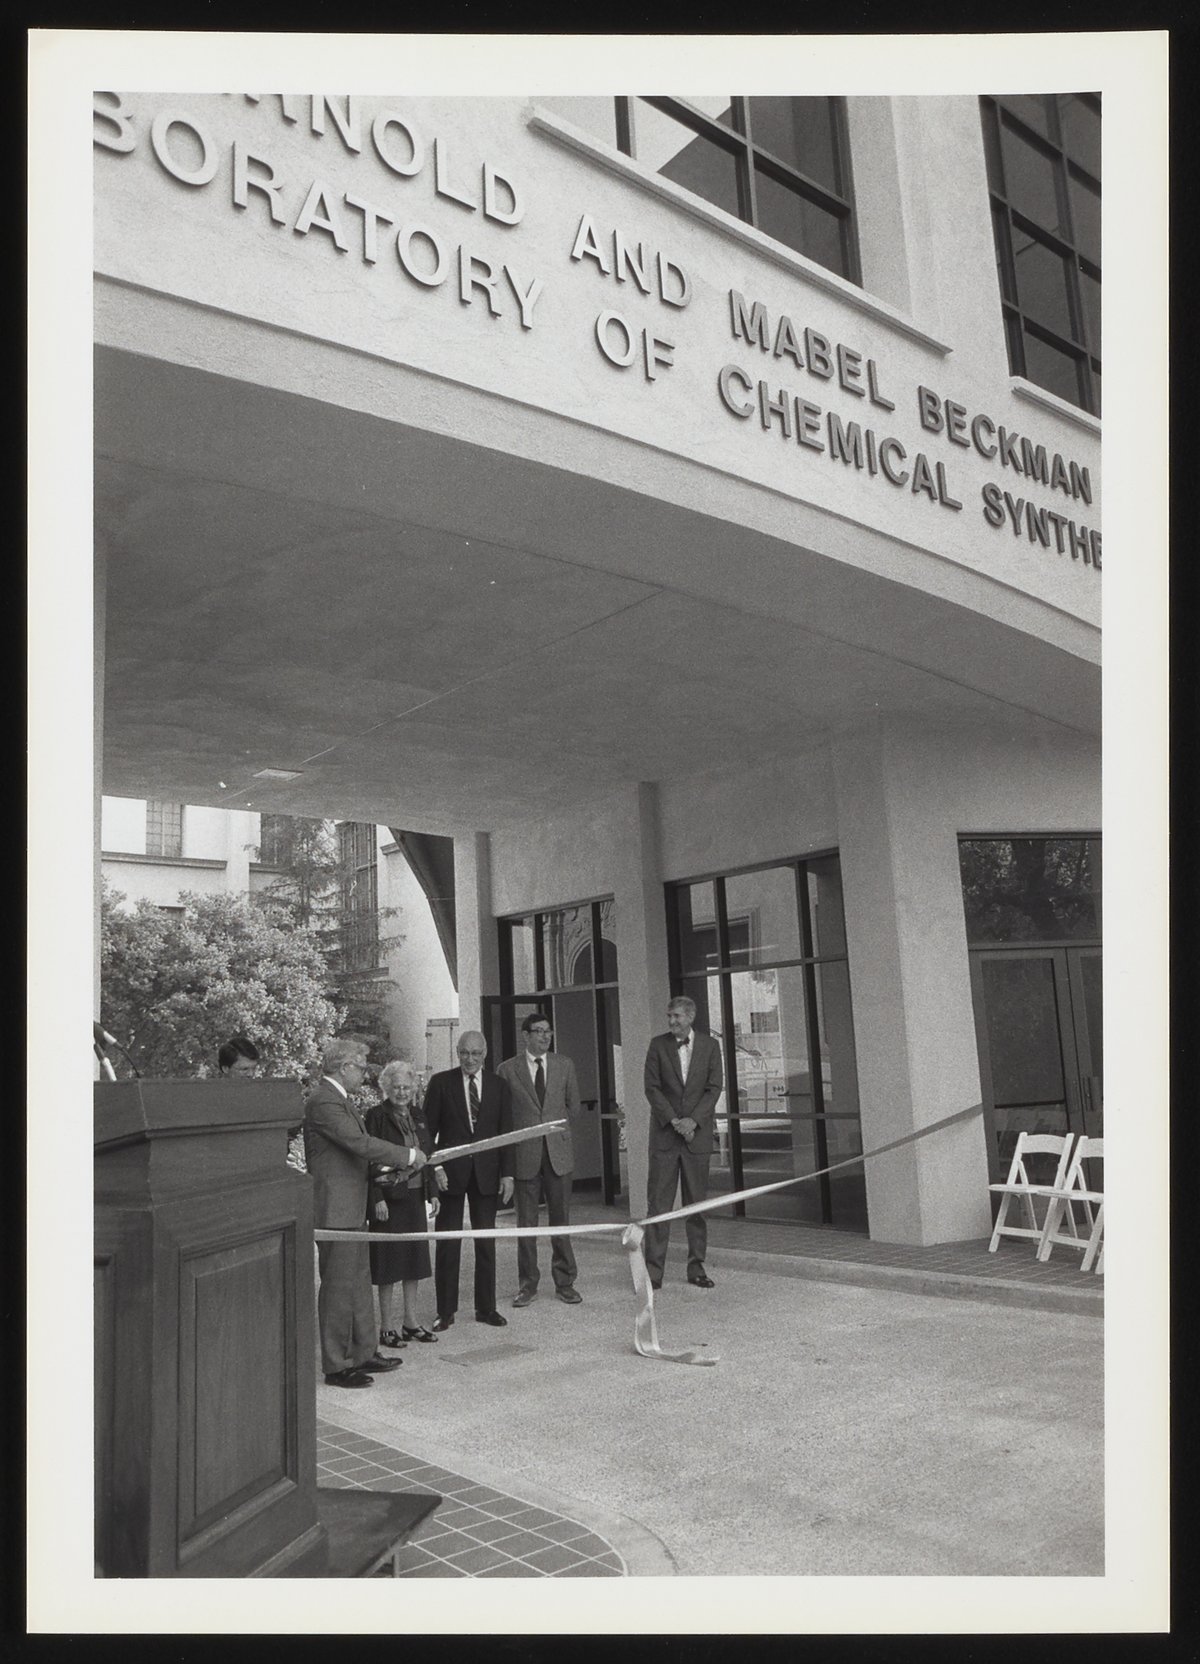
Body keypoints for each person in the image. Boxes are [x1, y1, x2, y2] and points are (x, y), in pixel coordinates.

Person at [304, 1037, 426, 1388]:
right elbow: (359, 1143)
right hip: (336, 1211)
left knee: (358, 1285)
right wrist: (408, 1155)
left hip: (352, 1207)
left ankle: (364, 1352)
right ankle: (336, 1365)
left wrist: (391, 1172)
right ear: (344, 1068)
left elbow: (355, 1155)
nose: (364, 1074)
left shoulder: (341, 1100)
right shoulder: (323, 1100)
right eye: (360, 1068)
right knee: (338, 1289)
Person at [422, 1031, 514, 1332]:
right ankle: (445, 1311)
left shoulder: (499, 1086)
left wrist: (508, 1174)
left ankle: (486, 1308)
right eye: (464, 1053)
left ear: (484, 1053)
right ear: (457, 1052)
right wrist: (435, 1169)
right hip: (450, 1175)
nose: (469, 1059)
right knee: (448, 1243)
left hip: (487, 1174)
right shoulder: (441, 1083)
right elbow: (426, 1133)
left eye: (475, 1053)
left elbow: (506, 1133)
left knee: (486, 1243)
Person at [496, 1013, 583, 1307]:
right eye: (539, 1031)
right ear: (525, 1035)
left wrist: (556, 1131)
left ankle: (565, 1282)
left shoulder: (564, 1065)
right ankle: (527, 1285)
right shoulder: (507, 1070)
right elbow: (503, 1115)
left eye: (548, 1031)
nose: (545, 1036)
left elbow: (574, 1107)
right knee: (526, 1225)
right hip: (525, 1155)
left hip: (558, 1154)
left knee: (561, 1221)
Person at [642, 995, 724, 1290]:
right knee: (658, 1207)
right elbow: (651, 1088)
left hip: (696, 1138)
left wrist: (693, 1121)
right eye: (669, 1016)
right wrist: (675, 1121)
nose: (671, 1021)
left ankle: (696, 1268)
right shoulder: (657, 1045)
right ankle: (653, 1272)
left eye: (676, 1016)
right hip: (665, 1136)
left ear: (690, 1017)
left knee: (696, 1207)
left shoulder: (710, 1046)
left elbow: (714, 1088)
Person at [366, 1059, 439, 1347]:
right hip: (388, 1199)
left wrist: (433, 1193)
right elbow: (369, 1159)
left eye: (407, 1087)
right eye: (396, 1087)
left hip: (415, 1196)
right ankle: (387, 1327)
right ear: (386, 1088)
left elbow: (427, 1156)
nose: (402, 1092)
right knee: (387, 1265)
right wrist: (376, 1199)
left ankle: (411, 1322)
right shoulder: (376, 1116)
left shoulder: (419, 1115)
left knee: (414, 1262)